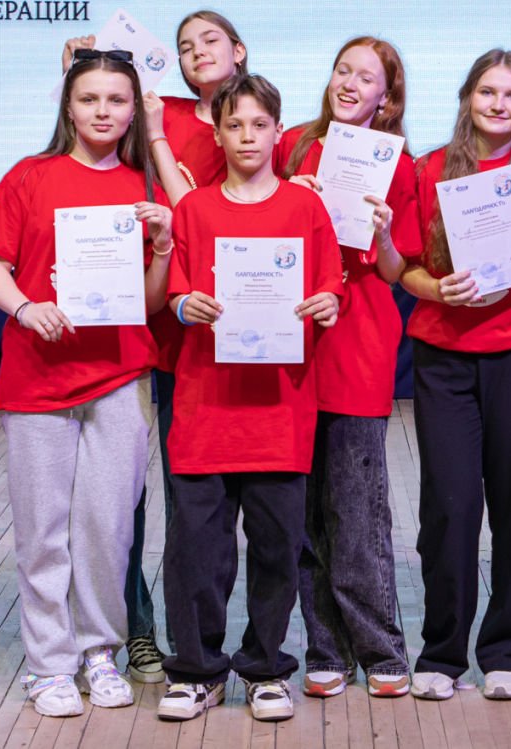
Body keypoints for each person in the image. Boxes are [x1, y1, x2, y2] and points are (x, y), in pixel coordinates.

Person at [0, 50, 174, 717]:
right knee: (42, 530)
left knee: (107, 527)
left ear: (134, 109)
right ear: (68, 105)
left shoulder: (144, 188)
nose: (103, 111)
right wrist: (24, 307)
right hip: (38, 378)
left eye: (117, 100)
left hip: (118, 376)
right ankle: (49, 664)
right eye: (90, 98)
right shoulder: (29, 177)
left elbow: (151, 301)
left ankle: (99, 652)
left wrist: (165, 247)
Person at [62, 9, 250, 683]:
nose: (197, 51)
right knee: (127, 499)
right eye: (184, 44)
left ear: (239, 49)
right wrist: (76, 67)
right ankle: (136, 631)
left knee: (199, 502)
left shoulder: (253, 121)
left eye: (210, 40)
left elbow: (206, 215)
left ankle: (195, 637)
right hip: (150, 330)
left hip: (228, 339)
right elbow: (89, 135)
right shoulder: (153, 108)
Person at [156, 74, 344, 723]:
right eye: (234, 125)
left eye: (259, 125)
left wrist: (328, 303)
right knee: (197, 552)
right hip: (205, 410)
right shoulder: (193, 210)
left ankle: (265, 667)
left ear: (277, 131)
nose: (246, 136)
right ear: (217, 133)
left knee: (276, 549)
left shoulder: (305, 208)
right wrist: (185, 304)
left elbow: (330, 288)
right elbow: (174, 294)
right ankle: (197, 670)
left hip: (279, 412)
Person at [398, 49, 511, 703]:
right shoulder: (429, 168)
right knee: (450, 505)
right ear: (468, 97)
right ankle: (442, 652)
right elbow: (405, 267)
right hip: (444, 354)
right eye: (487, 91)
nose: (498, 104)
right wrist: (439, 289)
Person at [277, 37, 416, 699]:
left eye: (366, 77)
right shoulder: (292, 145)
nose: (350, 83)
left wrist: (383, 232)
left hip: (358, 345)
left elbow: (395, 269)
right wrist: (289, 199)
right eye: (342, 70)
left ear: (386, 96)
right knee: (305, 517)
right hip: (293, 343)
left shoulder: (399, 164)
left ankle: (382, 649)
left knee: (358, 511)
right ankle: (324, 649)